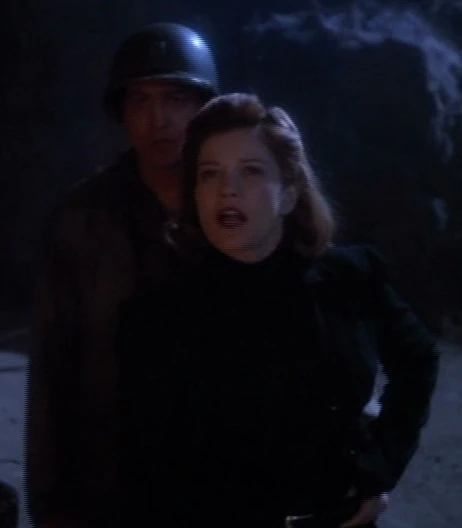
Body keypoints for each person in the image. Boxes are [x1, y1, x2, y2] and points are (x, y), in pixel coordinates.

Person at [116, 93, 439, 528]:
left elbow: (418, 360)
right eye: (210, 174)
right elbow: (145, 469)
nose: (227, 189)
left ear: (288, 194)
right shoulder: (158, 316)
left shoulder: (349, 278)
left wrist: (379, 466)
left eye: (250, 170)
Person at [25, 22, 219, 528]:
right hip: (111, 483)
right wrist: (51, 506)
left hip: (220, 483)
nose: (159, 120)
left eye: (176, 99)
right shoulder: (84, 218)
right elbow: (53, 371)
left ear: (204, 108)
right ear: (122, 113)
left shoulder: (235, 208)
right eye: (140, 101)